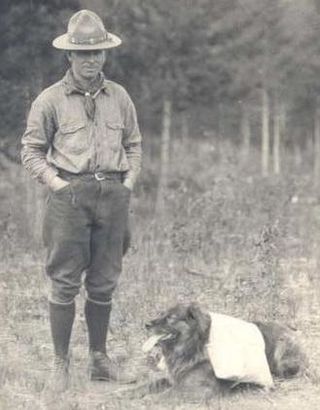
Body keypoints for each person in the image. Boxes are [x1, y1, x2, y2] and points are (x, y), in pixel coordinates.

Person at [21, 9, 142, 391]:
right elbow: (31, 150)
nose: (92, 61)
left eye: (98, 53)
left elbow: (134, 145)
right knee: (64, 281)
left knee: (105, 281)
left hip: (113, 196)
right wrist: (58, 185)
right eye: (84, 54)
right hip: (69, 197)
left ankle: (99, 360)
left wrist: (128, 184)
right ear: (69, 57)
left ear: (105, 55)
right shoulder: (50, 100)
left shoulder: (119, 97)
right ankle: (60, 363)